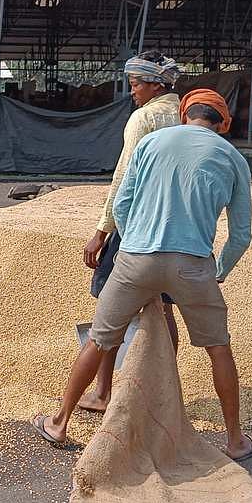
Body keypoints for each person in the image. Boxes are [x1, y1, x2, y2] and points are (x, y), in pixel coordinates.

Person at [33, 88, 252, 462]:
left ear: (185, 114)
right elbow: (241, 236)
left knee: (100, 340)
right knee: (218, 348)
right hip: (193, 264)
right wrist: (217, 274)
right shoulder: (233, 158)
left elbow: (122, 203)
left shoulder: (152, 142)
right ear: (224, 123)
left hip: (135, 258)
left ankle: (58, 423)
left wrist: (134, 245)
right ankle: (235, 441)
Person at [78, 50, 183, 414]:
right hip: (175, 228)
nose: (132, 91)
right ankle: (164, 392)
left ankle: (103, 392)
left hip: (137, 226)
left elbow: (124, 179)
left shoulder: (146, 117)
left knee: (112, 309)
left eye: (136, 84)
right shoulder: (185, 114)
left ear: (155, 84)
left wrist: (102, 230)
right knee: (165, 308)